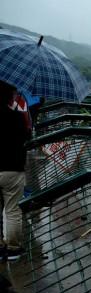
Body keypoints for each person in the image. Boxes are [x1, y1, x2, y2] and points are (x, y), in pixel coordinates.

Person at [0, 81, 29, 260]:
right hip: (12, 169)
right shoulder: (17, 117)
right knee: (12, 211)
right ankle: (13, 249)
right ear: (9, 97)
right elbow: (27, 136)